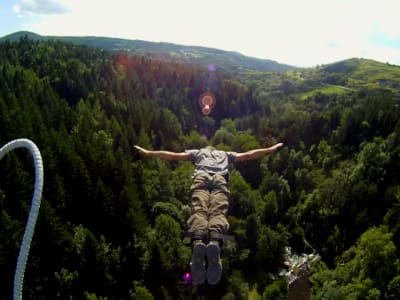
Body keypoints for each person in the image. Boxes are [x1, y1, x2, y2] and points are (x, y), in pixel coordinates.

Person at [134, 142, 284, 285]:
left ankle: (198, 241)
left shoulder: (198, 152)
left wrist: (148, 153)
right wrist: (271, 149)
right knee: (218, 212)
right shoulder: (225, 154)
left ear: (206, 149)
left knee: (199, 209)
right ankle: (215, 242)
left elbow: (173, 155)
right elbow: (248, 155)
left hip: (201, 177)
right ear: (215, 149)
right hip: (220, 180)